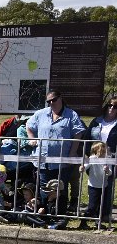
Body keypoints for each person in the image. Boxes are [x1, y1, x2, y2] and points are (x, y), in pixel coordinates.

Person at [25, 90, 86, 229]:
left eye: (54, 99)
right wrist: (31, 139)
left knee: (60, 190)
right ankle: (45, 217)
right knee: (44, 190)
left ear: (60, 98)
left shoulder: (71, 115)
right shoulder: (41, 114)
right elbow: (29, 125)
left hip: (62, 163)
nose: (51, 103)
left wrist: (72, 152)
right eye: (49, 101)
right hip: (42, 161)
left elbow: (78, 133)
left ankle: (59, 218)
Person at [80, 141, 112, 227]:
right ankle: (83, 221)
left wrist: (107, 170)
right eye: (102, 150)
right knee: (92, 205)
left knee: (101, 205)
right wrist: (82, 168)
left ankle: (98, 222)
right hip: (93, 186)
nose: (104, 151)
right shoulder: (92, 158)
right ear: (96, 150)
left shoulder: (108, 159)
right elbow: (85, 166)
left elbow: (110, 173)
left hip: (104, 185)